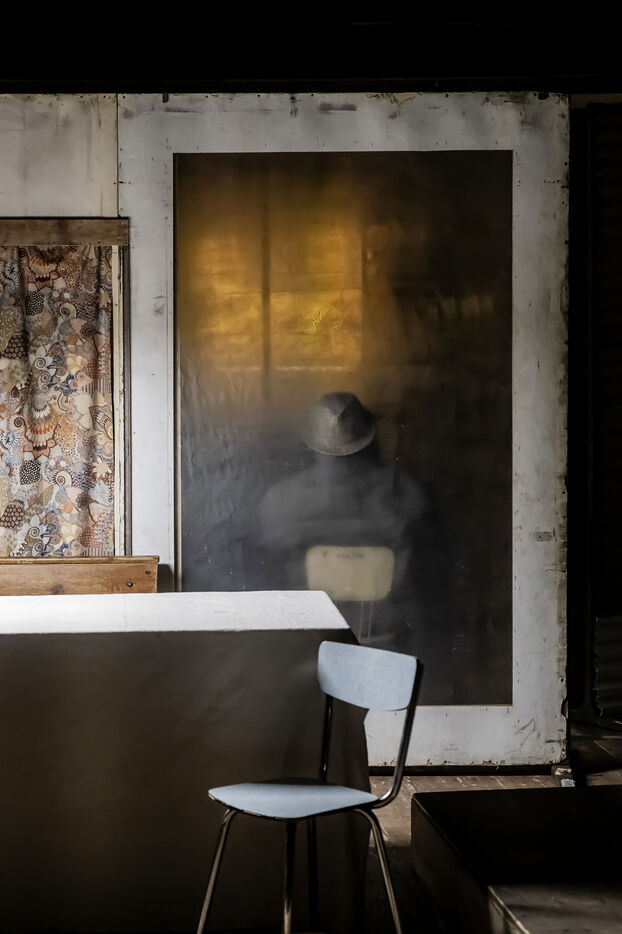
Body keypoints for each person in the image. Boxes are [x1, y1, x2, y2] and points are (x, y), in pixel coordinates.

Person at [256, 392, 426, 647]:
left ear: (310, 442)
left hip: (311, 635)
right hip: (378, 634)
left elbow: (270, 566)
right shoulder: (404, 491)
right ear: (370, 438)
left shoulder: (280, 498)